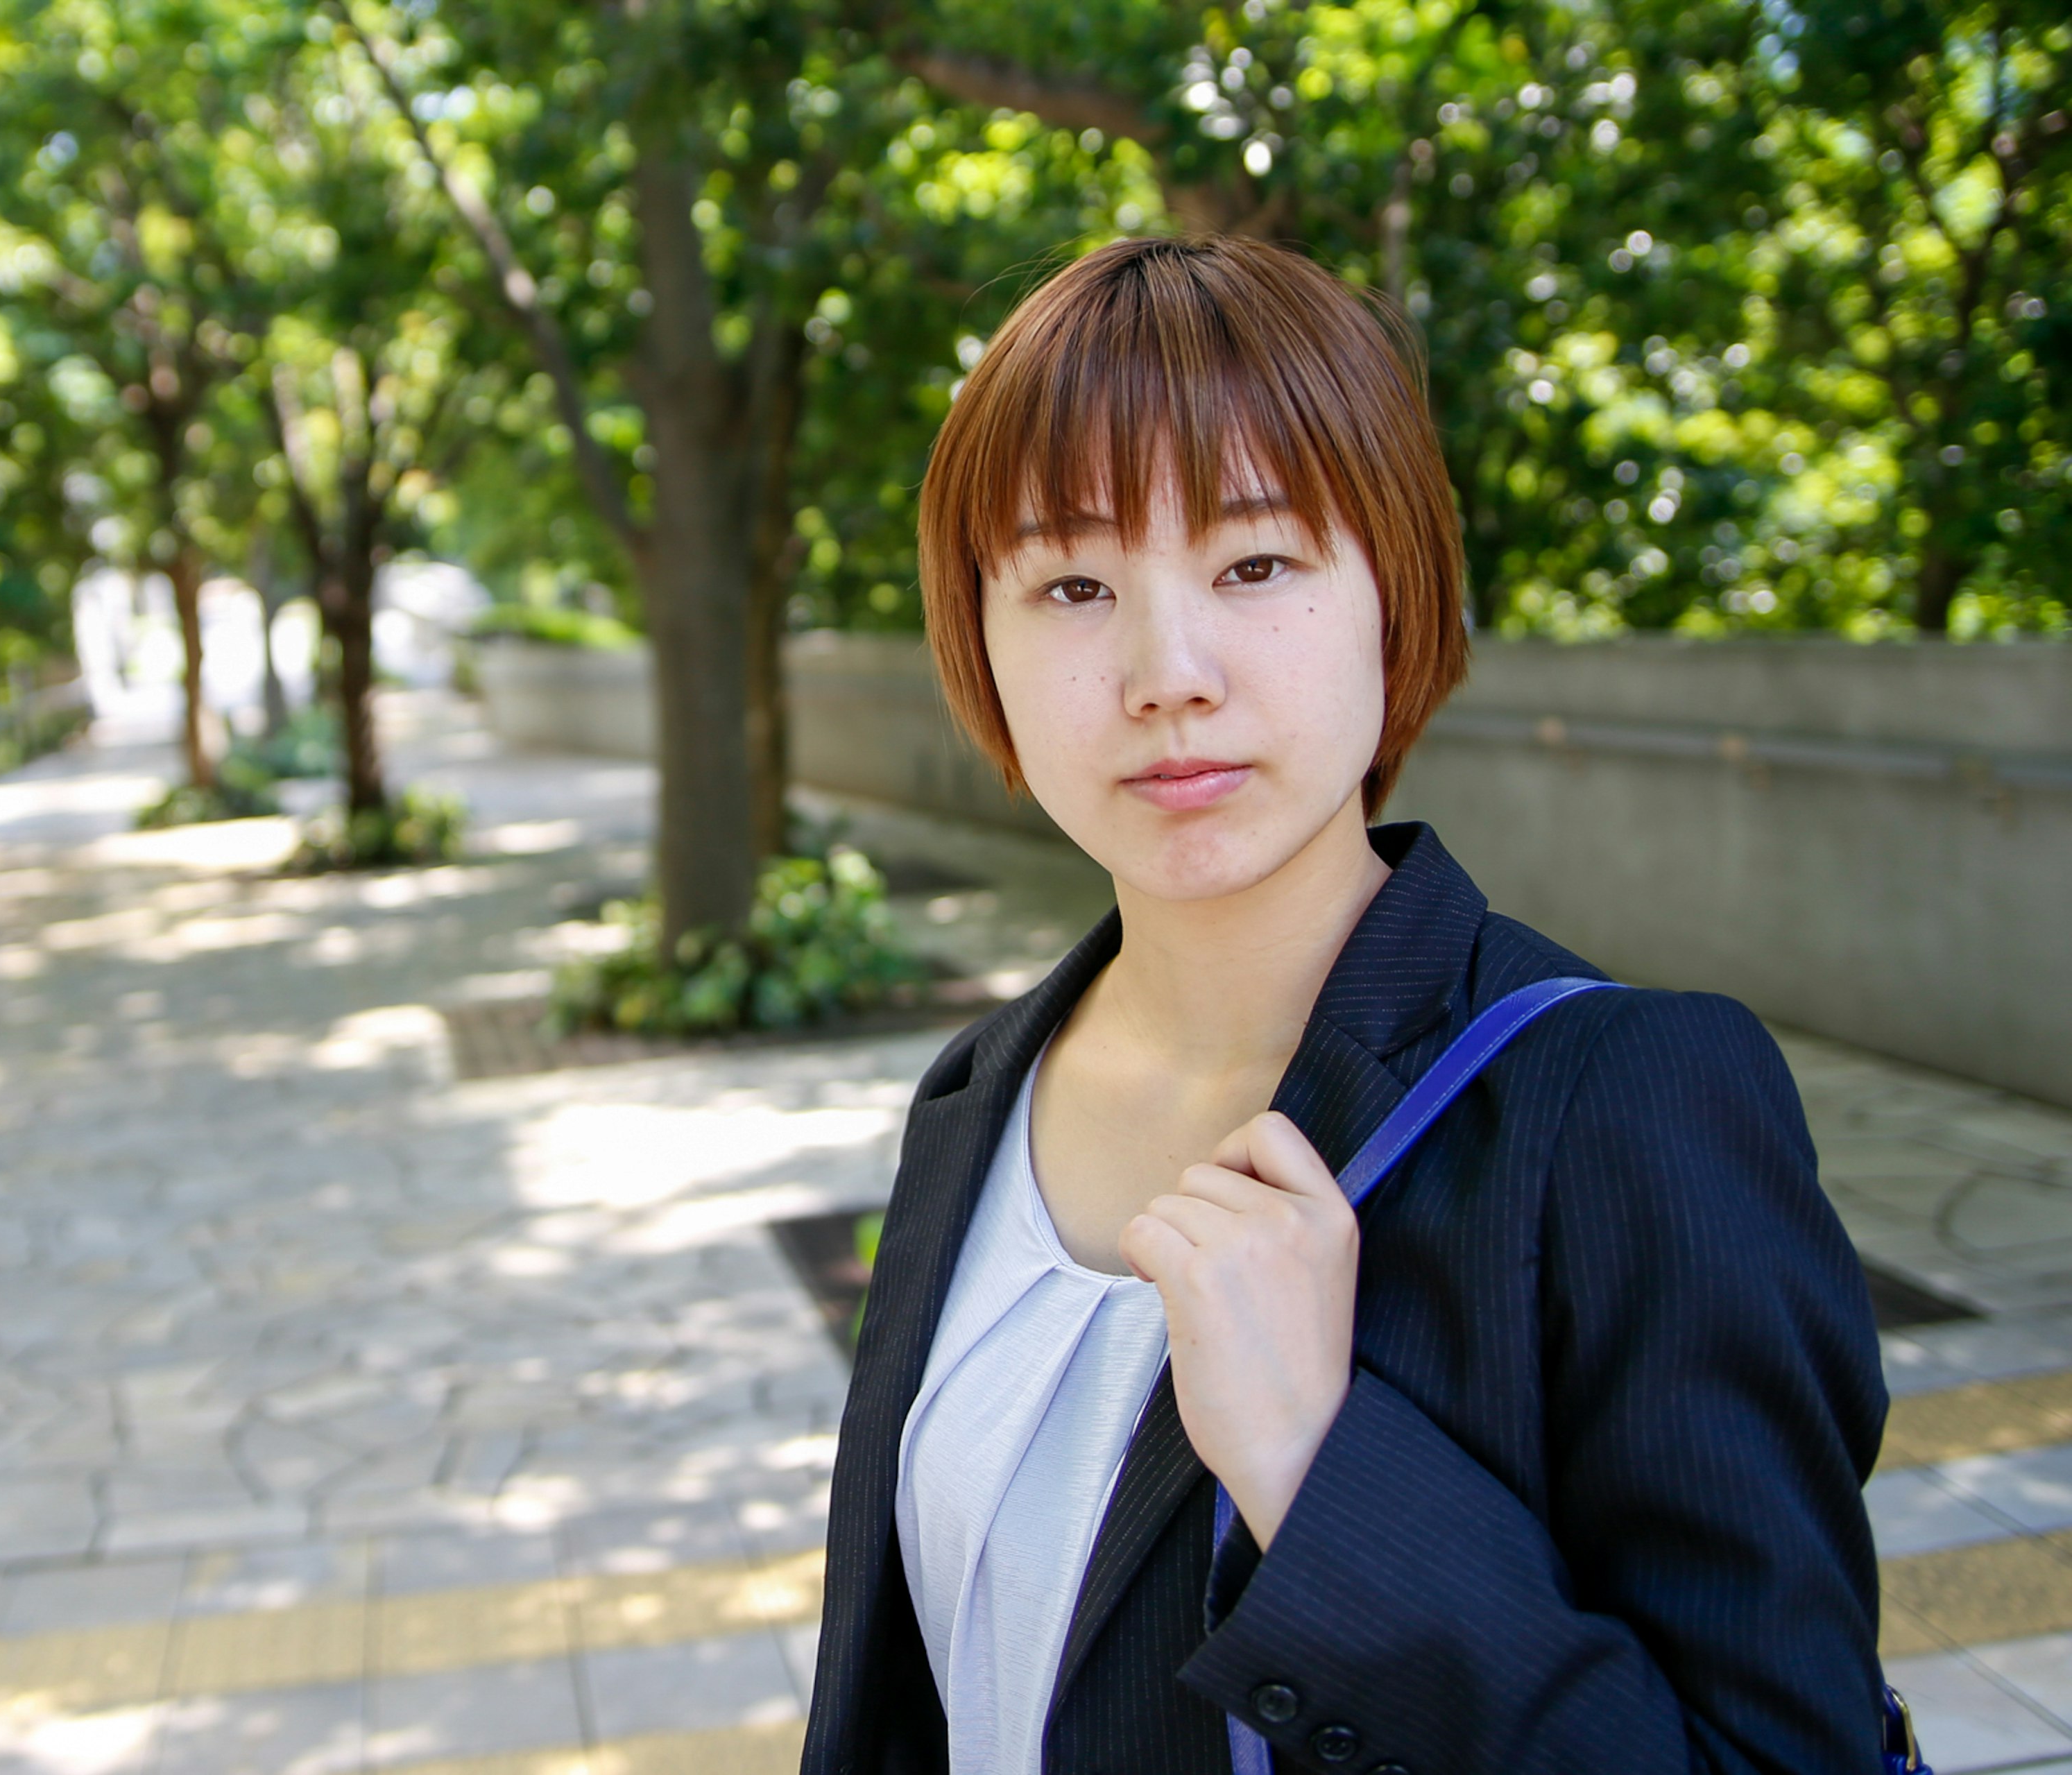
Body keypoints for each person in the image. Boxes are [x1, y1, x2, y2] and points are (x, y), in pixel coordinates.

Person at [797, 235, 1889, 1775]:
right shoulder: (984, 1090)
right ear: (979, 636)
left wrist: (1324, 1473)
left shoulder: (1625, 1106)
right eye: (1072, 583)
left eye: (1256, 563)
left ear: (1396, 587)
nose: (1167, 671)